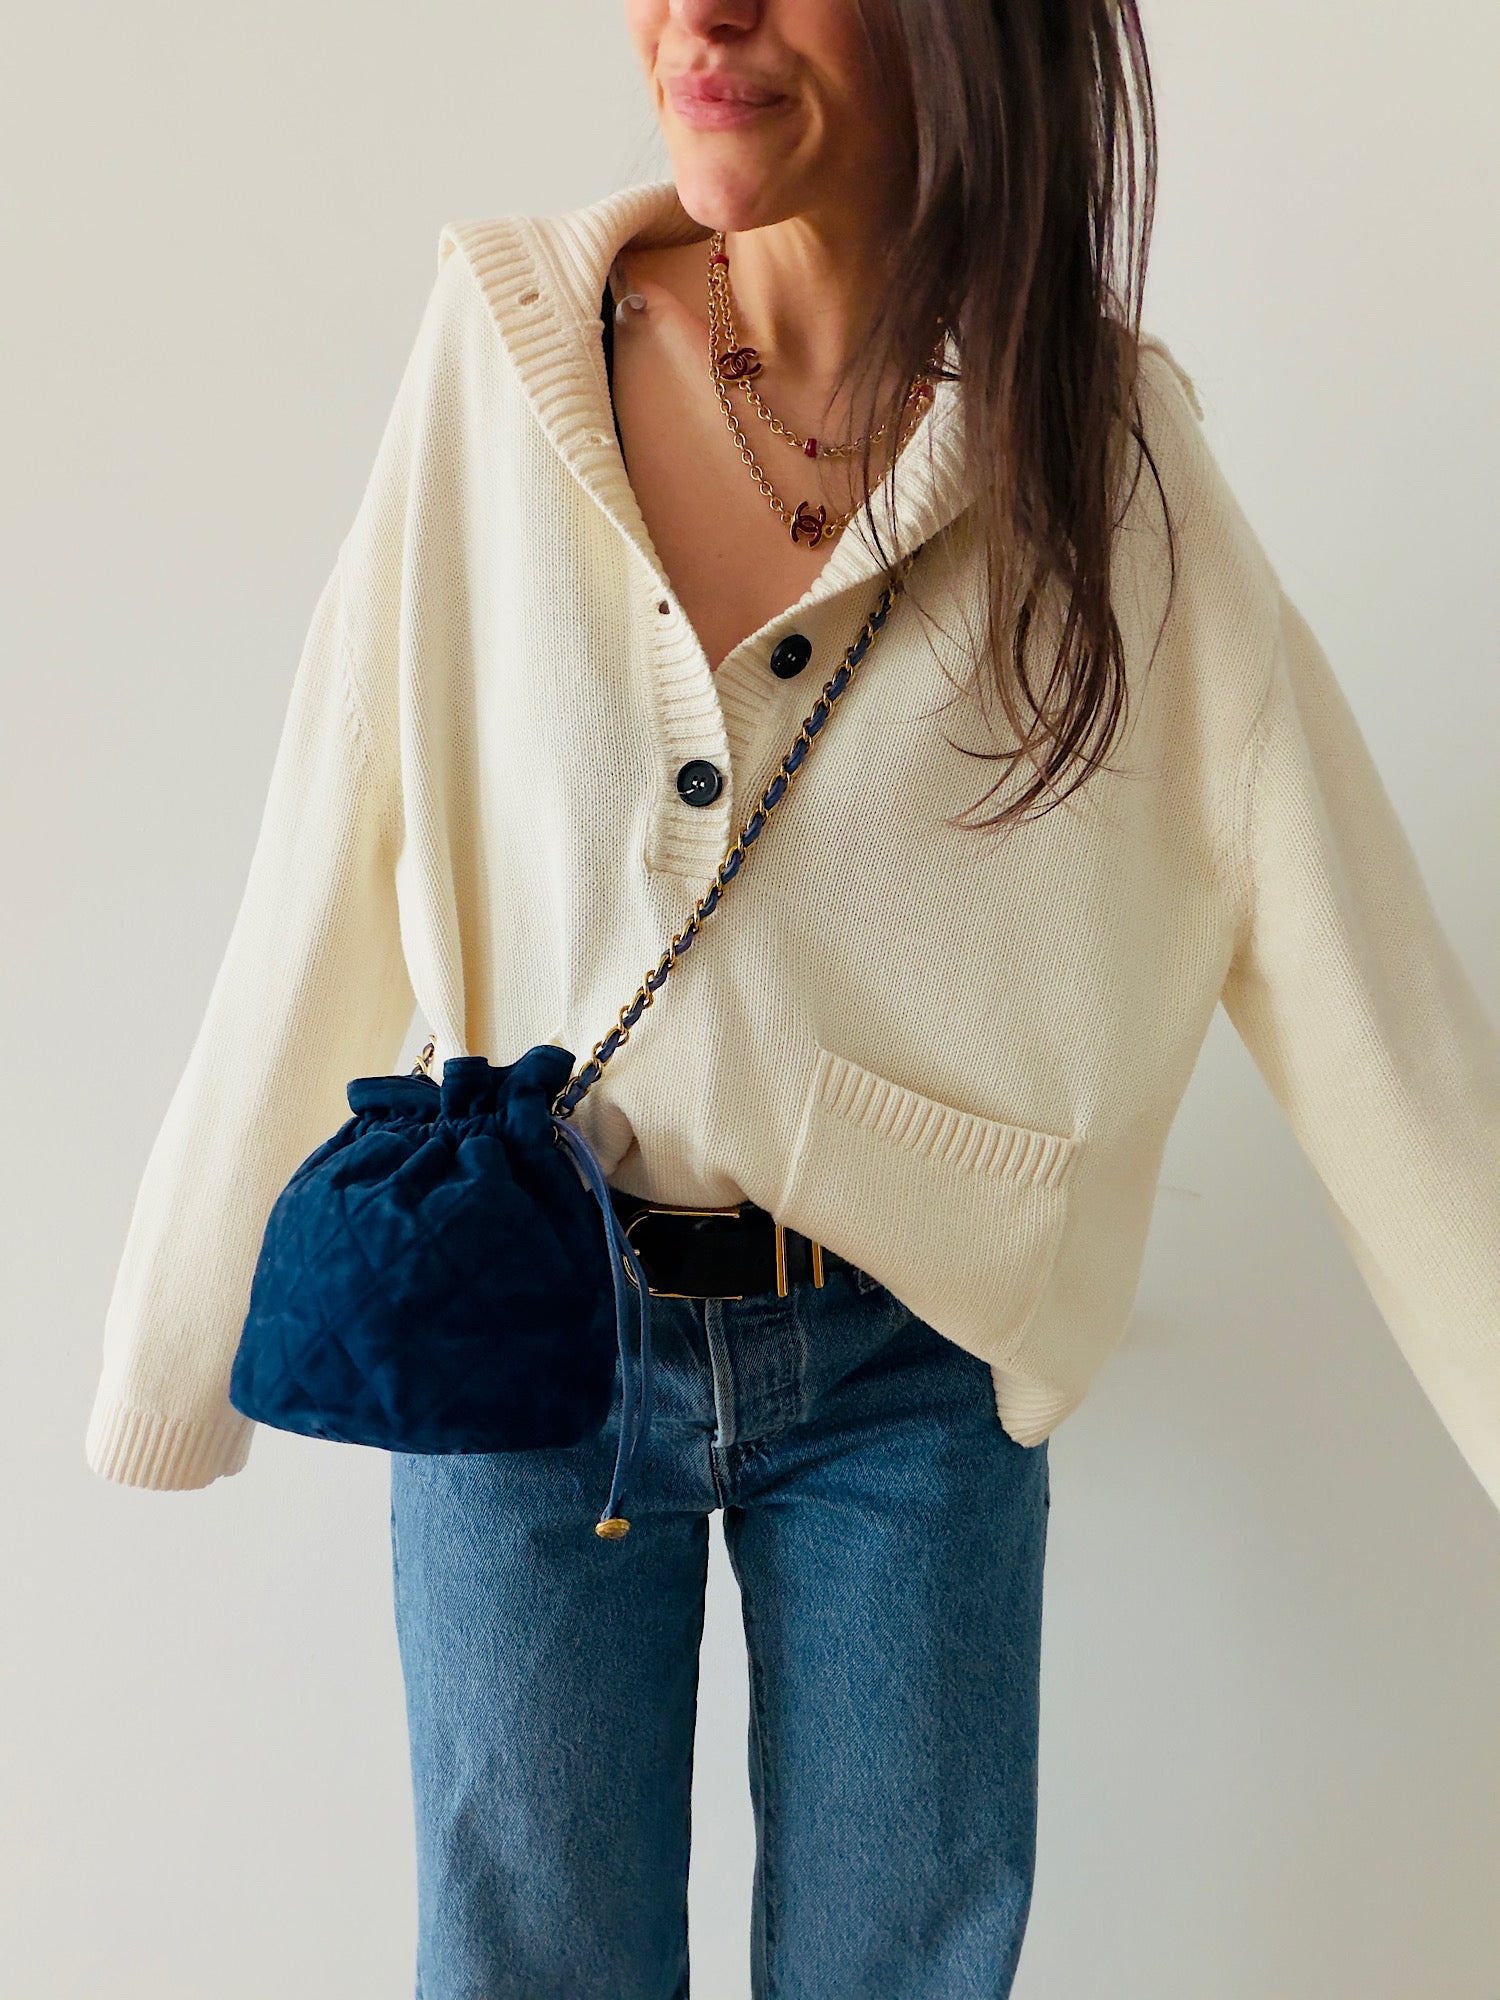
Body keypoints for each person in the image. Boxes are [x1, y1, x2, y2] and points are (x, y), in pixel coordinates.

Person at [86, 2, 1500, 1996]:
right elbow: (338, 812)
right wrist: (180, 1336)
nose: (703, 17)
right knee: (526, 1966)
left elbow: (1357, 969)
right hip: (521, 1320)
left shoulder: (1098, 452)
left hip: (912, 1364)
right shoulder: (505, 352)